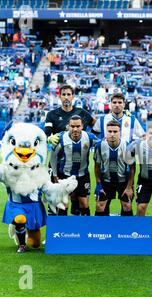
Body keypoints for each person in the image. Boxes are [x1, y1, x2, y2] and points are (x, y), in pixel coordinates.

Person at [44, 84, 96, 215]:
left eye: (69, 94)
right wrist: (49, 138)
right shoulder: (52, 114)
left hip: (78, 162)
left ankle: (75, 230)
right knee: (57, 199)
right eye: (63, 94)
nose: (66, 97)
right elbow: (47, 134)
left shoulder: (82, 113)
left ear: (73, 96)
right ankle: (56, 232)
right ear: (59, 96)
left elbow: (96, 125)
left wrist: (91, 136)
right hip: (57, 163)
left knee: (78, 199)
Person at [92, 92, 145, 216]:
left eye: (120, 102)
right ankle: (101, 232)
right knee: (103, 204)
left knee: (126, 204)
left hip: (124, 165)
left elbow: (143, 136)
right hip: (107, 162)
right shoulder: (102, 119)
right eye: (114, 102)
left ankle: (125, 232)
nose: (117, 105)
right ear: (110, 104)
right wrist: (100, 145)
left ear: (124, 104)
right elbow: (94, 135)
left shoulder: (131, 119)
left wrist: (133, 147)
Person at [49, 115, 98, 216]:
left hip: (83, 175)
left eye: (78, 126)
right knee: (64, 204)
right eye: (72, 126)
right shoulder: (61, 138)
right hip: (65, 175)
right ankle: (63, 229)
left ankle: (85, 229)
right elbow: (53, 157)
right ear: (68, 126)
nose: (75, 129)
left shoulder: (89, 137)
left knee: (84, 203)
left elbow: (101, 145)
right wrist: (54, 174)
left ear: (82, 126)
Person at [93, 120, 135, 216]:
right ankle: (99, 230)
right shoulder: (99, 146)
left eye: (115, 132)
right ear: (106, 132)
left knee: (127, 206)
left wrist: (129, 187)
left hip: (123, 181)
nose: (112, 134)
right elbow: (97, 167)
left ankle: (127, 231)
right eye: (110, 131)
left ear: (120, 132)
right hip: (106, 181)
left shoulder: (128, 146)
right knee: (100, 206)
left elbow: (132, 168)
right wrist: (98, 184)